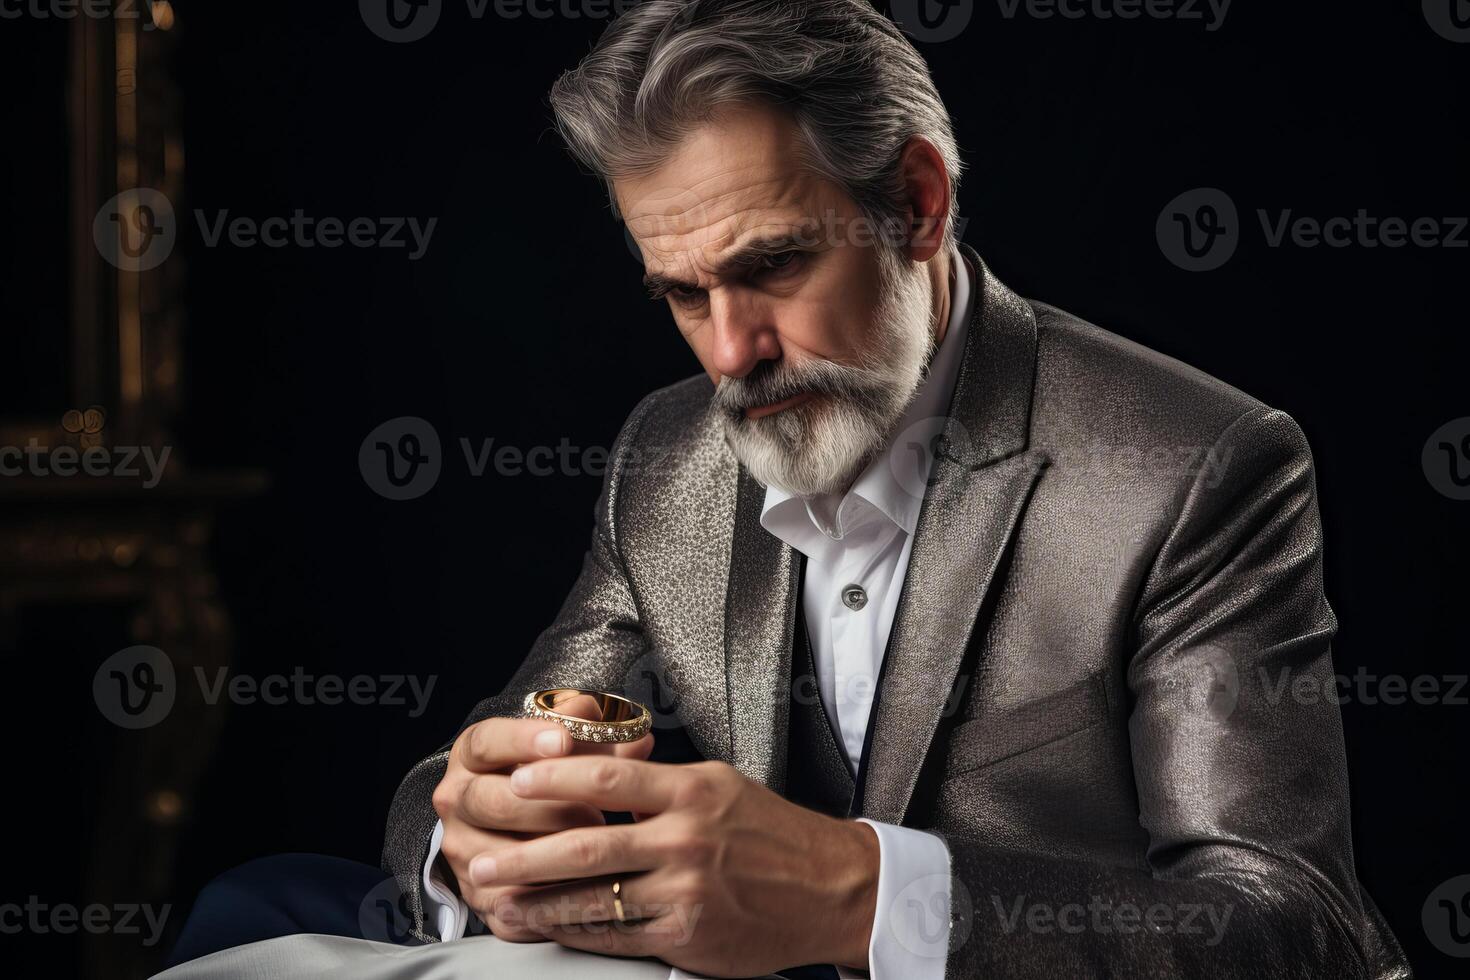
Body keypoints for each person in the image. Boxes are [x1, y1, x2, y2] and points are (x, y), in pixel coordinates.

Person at [162, 2, 1408, 978]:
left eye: (771, 267)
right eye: (682, 295)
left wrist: (852, 890)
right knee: (249, 901)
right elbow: (505, 738)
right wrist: (475, 829)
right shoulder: (674, 451)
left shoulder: (1197, 464)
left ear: (918, 205)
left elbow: (1294, 933)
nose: (729, 354)